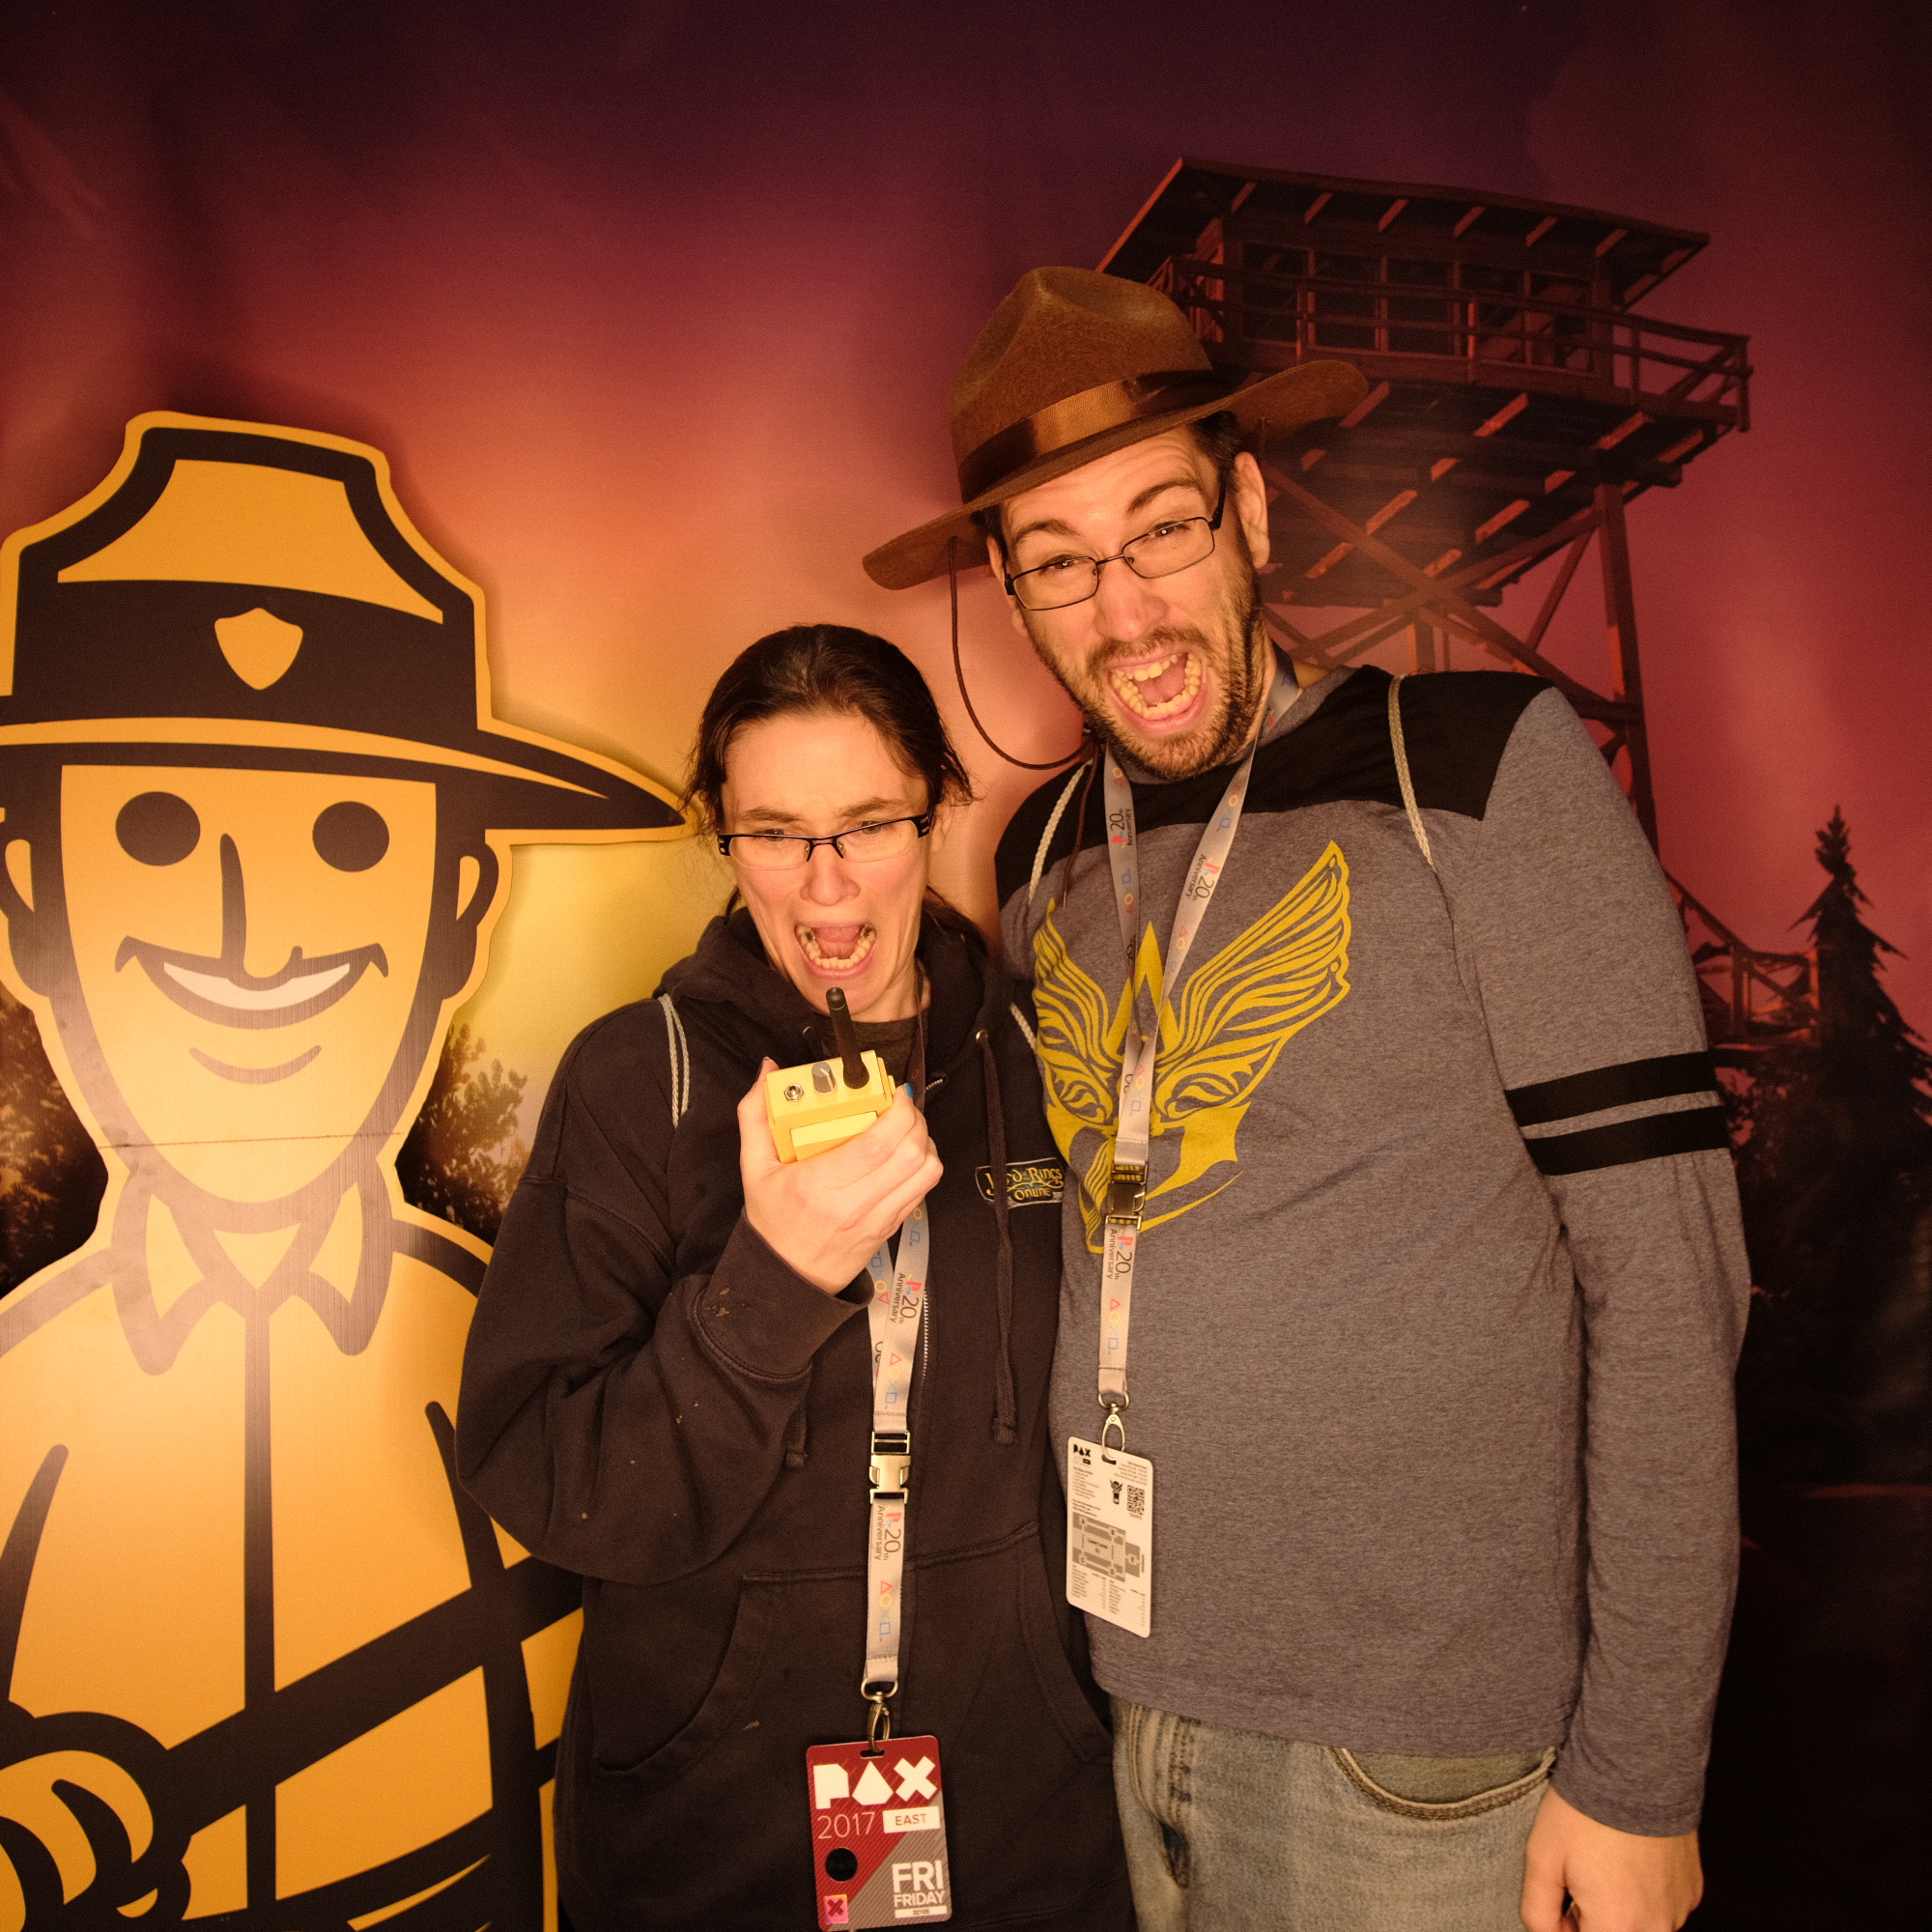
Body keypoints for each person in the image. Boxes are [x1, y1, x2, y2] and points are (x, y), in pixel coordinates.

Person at [864, 268, 1749, 1932]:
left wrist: (1642, 1773)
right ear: (1011, 589)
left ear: (1251, 512)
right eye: (1058, 560)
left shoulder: (1476, 767)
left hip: (1415, 1764)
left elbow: (1669, 1283)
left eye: (1161, 529)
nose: (1125, 613)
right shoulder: (1042, 857)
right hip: (1123, 1705)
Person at [0, 414, 682, 1925]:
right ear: (31, 885)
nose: (256, 933)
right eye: (160, 828)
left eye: (350, 835)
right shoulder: (12, 1412)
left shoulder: (512, 1363)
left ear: (460, 897)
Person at [455, 625, 1133, 1929]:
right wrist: (770, 1284)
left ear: (937, 808)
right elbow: (546, 1478)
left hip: (1021, 1811)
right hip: (715, 1823)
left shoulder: (1043, 1058)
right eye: (774, 833)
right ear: (723, 834)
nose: (826, 885)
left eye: (868, 825)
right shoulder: (637, 1078)